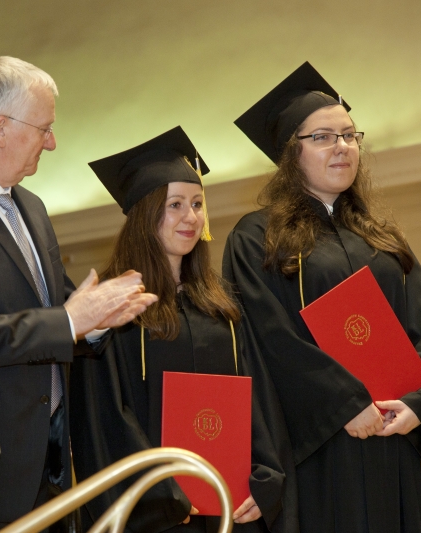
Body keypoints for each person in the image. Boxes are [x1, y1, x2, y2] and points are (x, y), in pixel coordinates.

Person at [0, 56, 157, 532]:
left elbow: (61, 308)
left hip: (53, 458)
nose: (52, 142)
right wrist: (70, 321)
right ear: (1, 128)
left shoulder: (31, 205)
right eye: (44, 129)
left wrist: (97, 321)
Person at [222, 62, 421, 533]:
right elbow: (269, 340)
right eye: (323, 137)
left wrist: (418, 403)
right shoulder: (259, 238)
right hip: (320, 446)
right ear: (291, 154)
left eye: (349, 135)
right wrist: (344, 403)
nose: (343, 146)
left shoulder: (381, 237)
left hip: (392, 436)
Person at [69, 127, 298, 533]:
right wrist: (164, 493)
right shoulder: (114, 310)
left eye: (197, 204)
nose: (190, 217)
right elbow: (105, 419)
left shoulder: (221, 305)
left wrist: (264, 476)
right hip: (160, 517)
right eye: (174, 205)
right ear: (145, 215)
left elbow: (256, 397)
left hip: (230, 508)